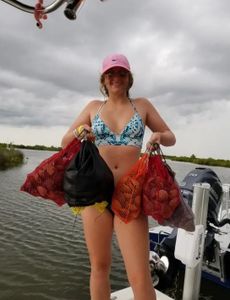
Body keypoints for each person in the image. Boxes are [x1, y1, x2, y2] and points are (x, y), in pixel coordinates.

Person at [61, 53, 176, 300]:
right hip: (95, 194)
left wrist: (158, 137)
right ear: (104, 79)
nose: (116, 78)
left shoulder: (142, 105)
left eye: (121, 73)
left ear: (129, 77)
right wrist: (81, 130)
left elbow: (170, 136)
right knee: (99, 268)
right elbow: (64, 142)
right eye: (111, 73)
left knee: (139, 274)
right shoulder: (93, 107)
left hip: (130, 193)